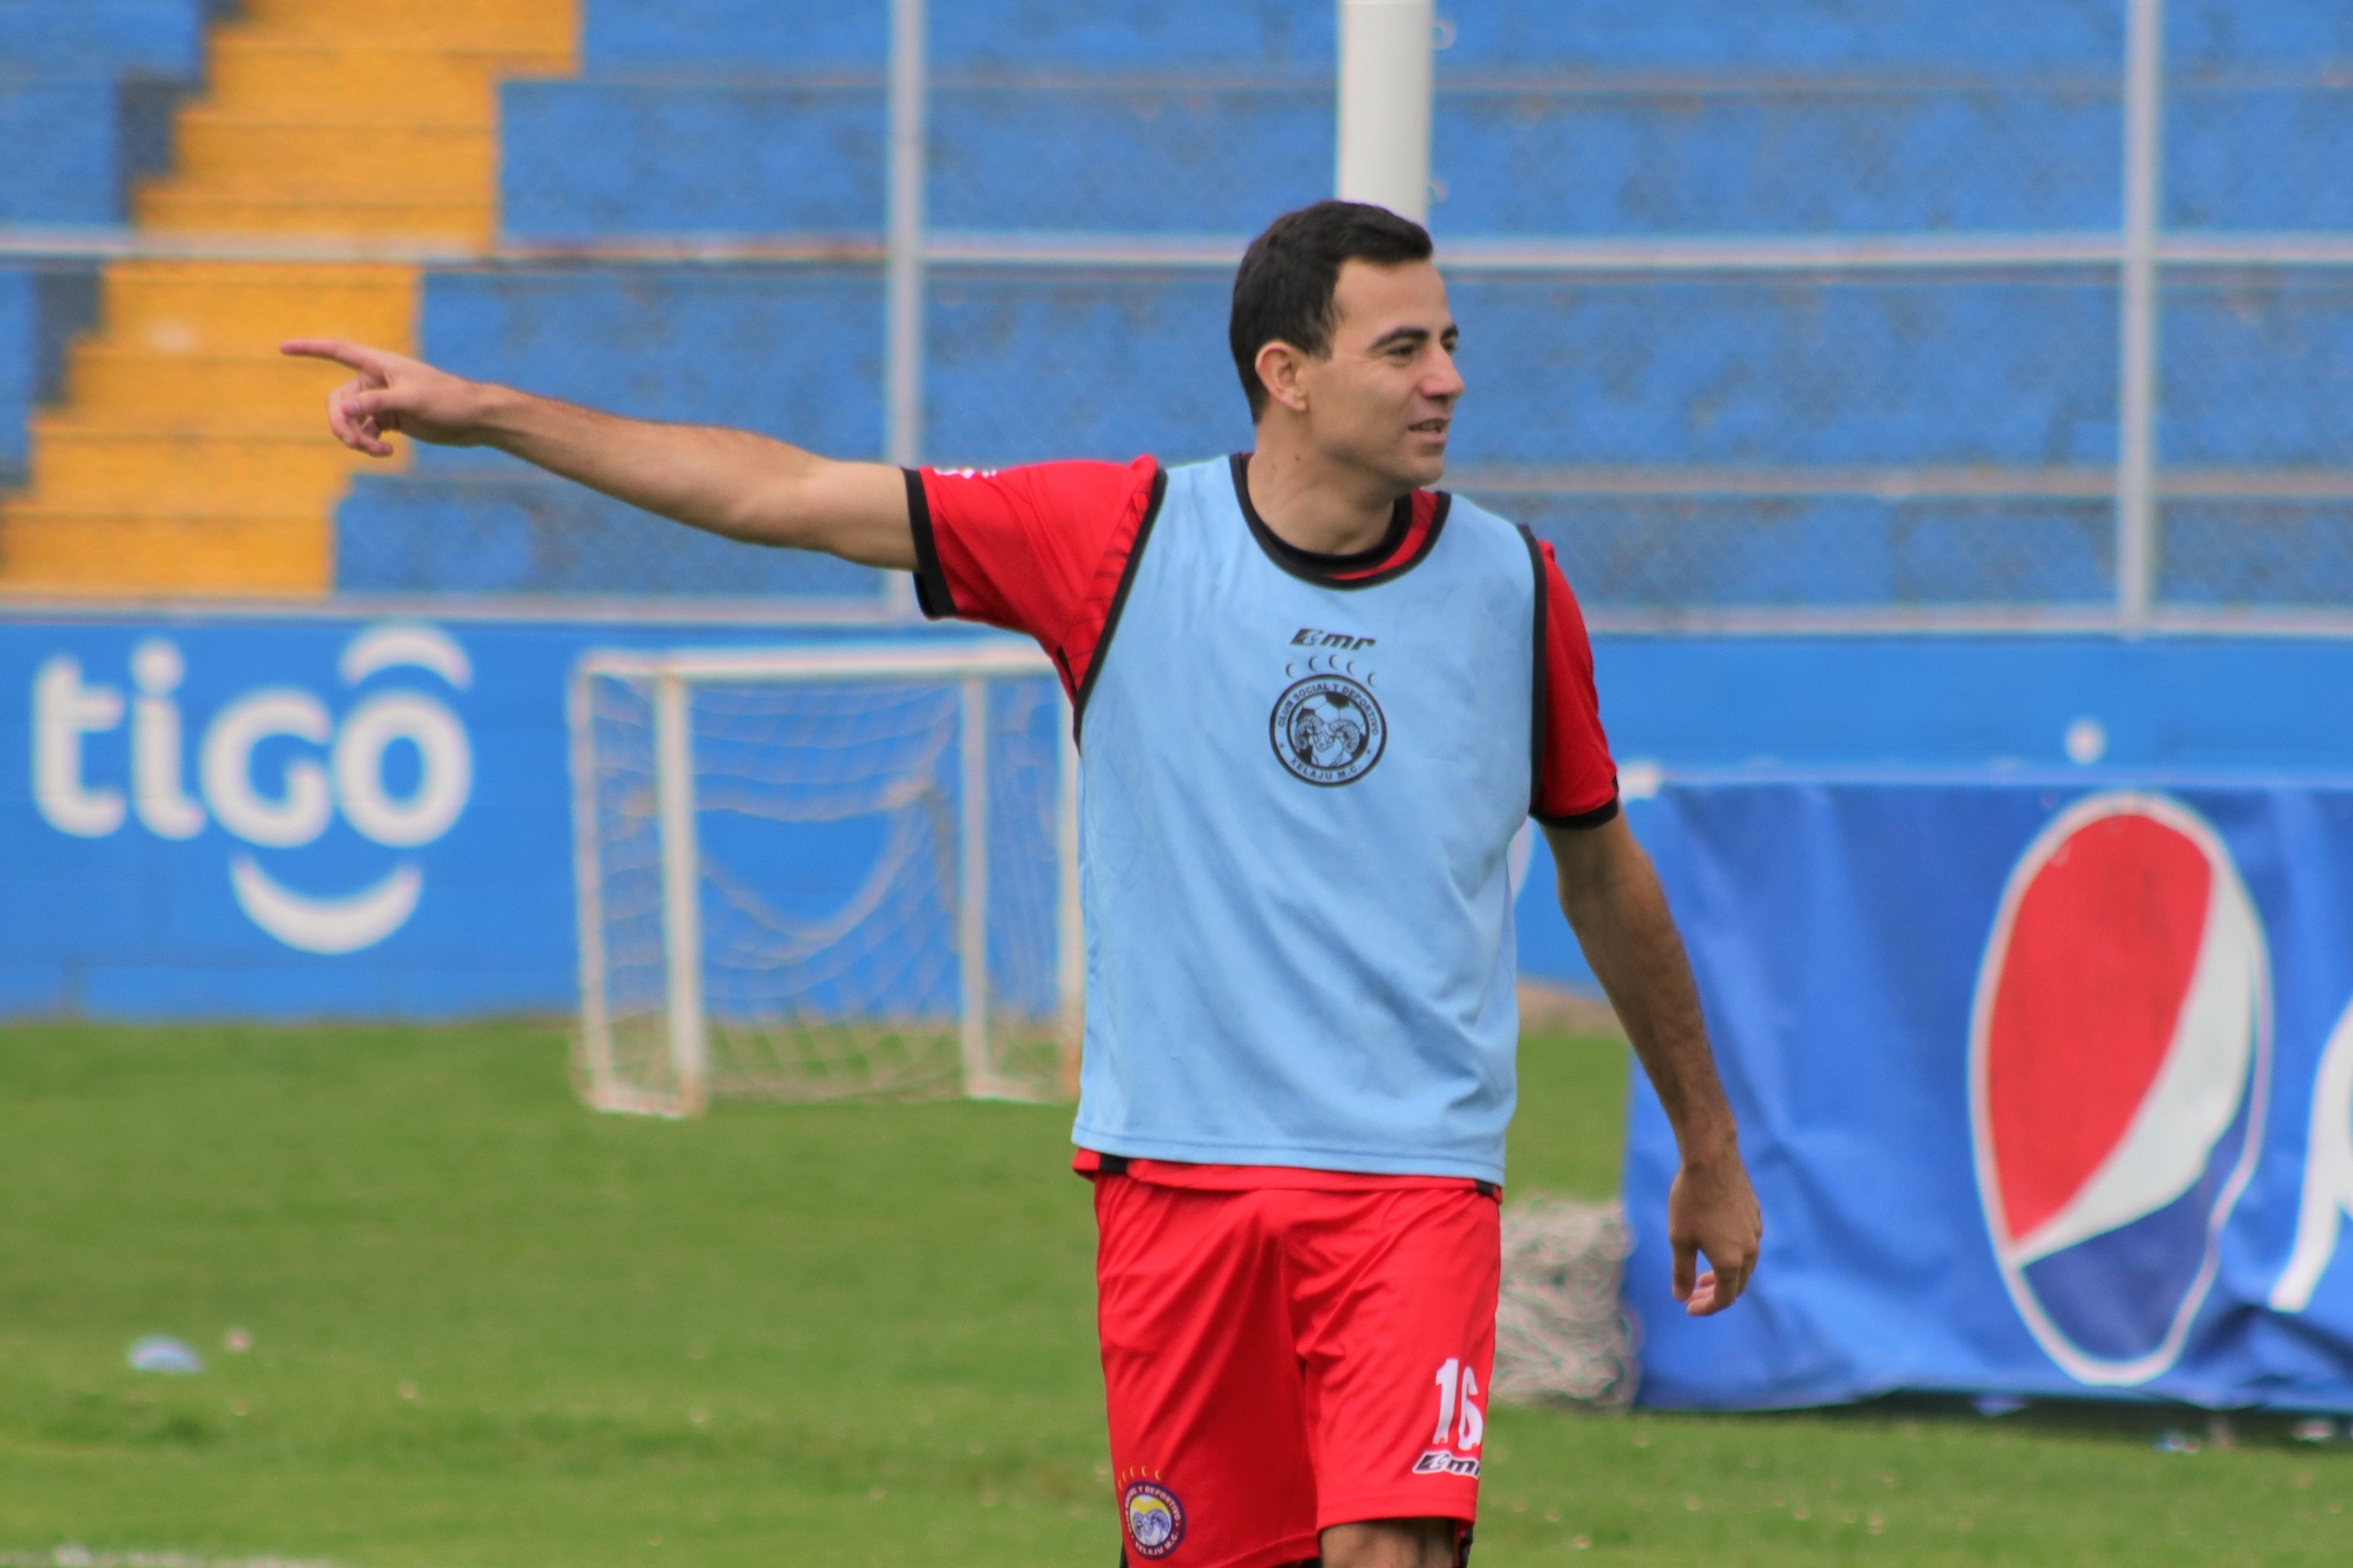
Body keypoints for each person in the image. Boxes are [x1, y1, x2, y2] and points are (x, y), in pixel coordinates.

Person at [286, 199, 1761, 1568]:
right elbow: (783, 493)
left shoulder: (1512, 585)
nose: (1444, 376)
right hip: (1173, 1181)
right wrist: (487, 413)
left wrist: (1705, 1139)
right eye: (1402, 347)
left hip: (1409, 1184)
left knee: (1392, 1545)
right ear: (1286, 374)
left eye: (1448, 342)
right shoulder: (1115, 543)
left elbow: (1599, 870)